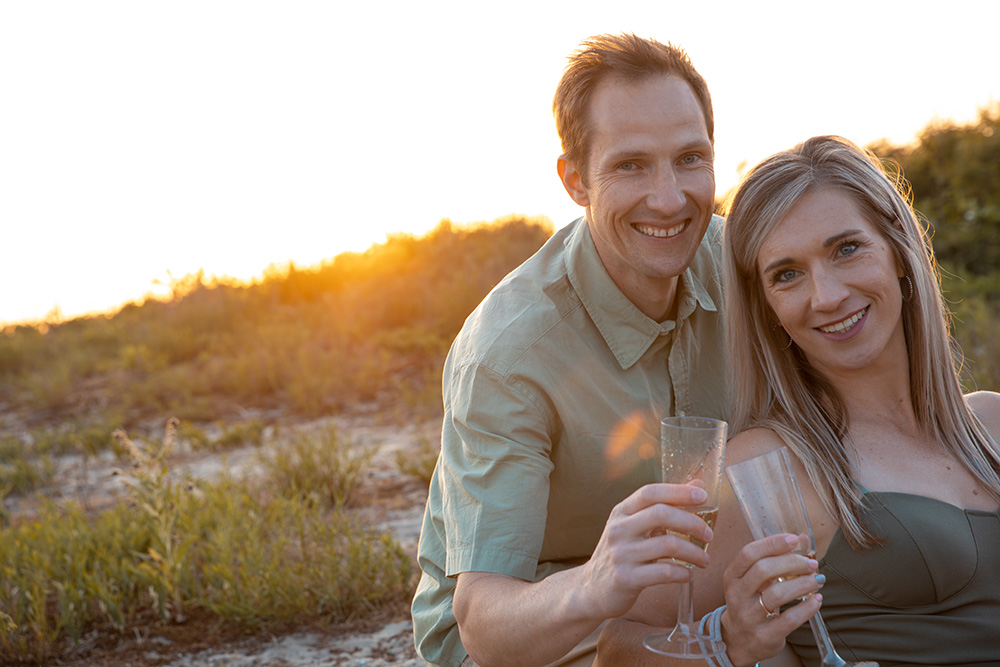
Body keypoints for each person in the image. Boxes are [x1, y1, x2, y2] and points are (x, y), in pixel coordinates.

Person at [595, 135, 1000, 666]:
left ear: (899, 252)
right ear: (767, 309)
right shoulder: (760, 469)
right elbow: (618, 648)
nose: (827, 296)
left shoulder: (991, 420)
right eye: (787, 275)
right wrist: (727, 641)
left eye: (846, 249)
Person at [411, 33, 728, 667]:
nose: (670, 198)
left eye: (690, 158)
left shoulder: (744, 262)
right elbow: (483, 624)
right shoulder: (508, 355)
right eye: (631, 165)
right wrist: (595, 583)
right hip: (533, 622)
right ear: (576, 180)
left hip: (690, 585)